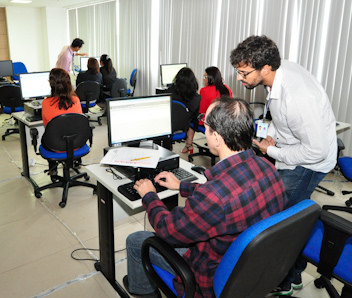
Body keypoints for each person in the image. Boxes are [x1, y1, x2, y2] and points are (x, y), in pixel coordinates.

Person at [123, 96, 288, 297]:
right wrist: (181, 186)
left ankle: (143, 291)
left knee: (136, 240)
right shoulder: (268, 169)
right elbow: (231, 196)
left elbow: (168, 230)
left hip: (209, 278)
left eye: (205, 123)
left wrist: (149, 196)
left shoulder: (215, 196)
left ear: (216, 137)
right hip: (247, 270)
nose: (203, 127)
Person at [230, 35, 337, 296]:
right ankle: (294, 273)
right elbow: (281, 114)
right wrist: (274, 136)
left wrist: (273, 150)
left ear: (264, 68)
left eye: (244, 73)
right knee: (290, 216)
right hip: (297, 149)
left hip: (309, 162)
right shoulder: (277, 73)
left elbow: (315, 150)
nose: (239, 78)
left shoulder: (298, 96)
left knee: (281, 225)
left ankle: (287, 280)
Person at [181, 66, 233, 154]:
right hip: (224, 123)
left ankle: (189, 145)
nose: (203, 79)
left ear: (211, 79)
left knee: (191, 121)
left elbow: (201, 110)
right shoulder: (226, 89)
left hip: (209, 123)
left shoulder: (204, 90)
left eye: (205, 77)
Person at [41, 68, 83, 173]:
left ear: (51, 84)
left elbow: (48, 126)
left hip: (54, 146)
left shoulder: (46, 103)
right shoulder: (76, 100)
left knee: (48, 136)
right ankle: (76, 162)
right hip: (77, 144)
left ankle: (53, 169)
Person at [166, 67, 201, 152]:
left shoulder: (169, 93)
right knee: (193, 120)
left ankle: (167, 147)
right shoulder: (197, 98)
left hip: (169, 126)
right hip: (184, 126)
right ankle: (189, 145)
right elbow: (193, 118)